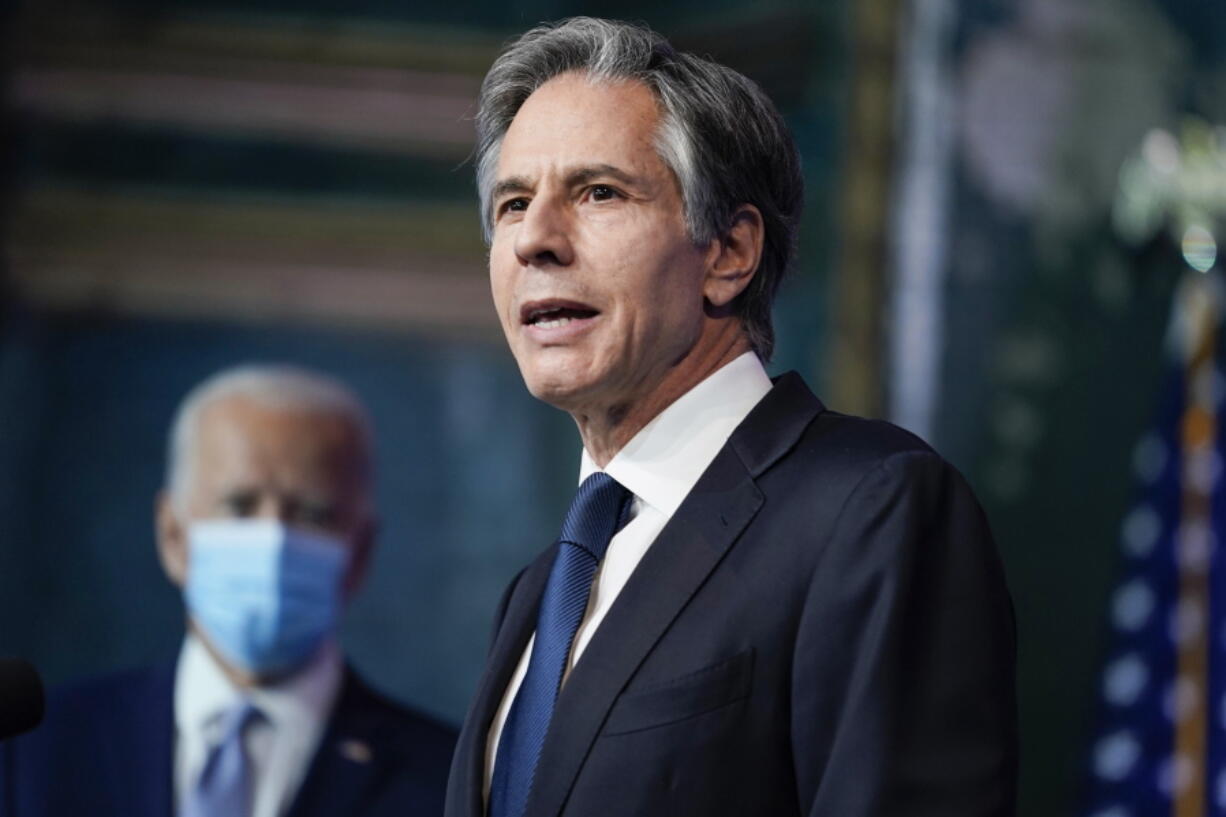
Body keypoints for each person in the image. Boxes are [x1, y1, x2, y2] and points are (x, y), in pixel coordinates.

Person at [445, 17, 1017, 817]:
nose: (536, 238)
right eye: (512, 203)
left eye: (598, 192)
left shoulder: (870, 509)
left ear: (728, 254)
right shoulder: (541, 587)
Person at [1, 365, 456, 817]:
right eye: (239, 506)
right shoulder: (36, 746)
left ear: (358, 555)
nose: (273, 538)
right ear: (173, 535)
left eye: (313, 515)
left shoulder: (450, 781)